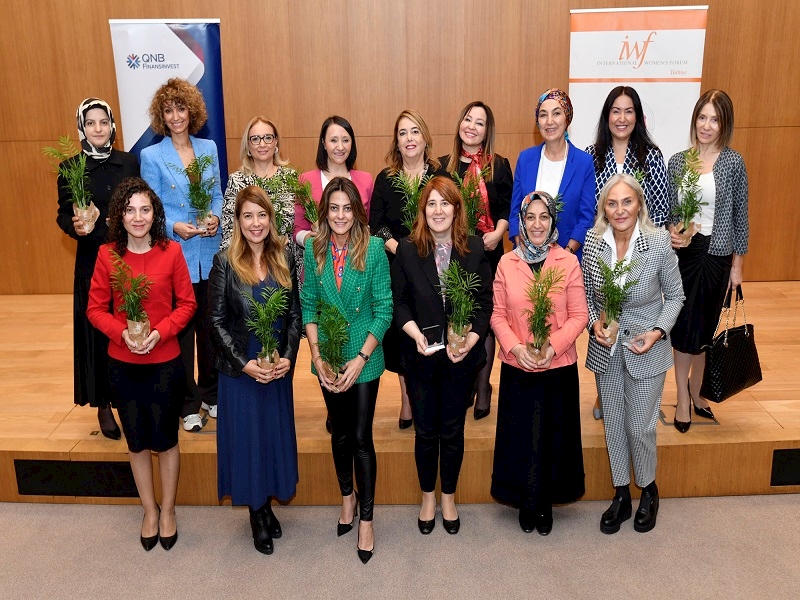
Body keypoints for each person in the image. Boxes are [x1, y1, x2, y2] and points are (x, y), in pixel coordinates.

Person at [87, 177, 196, 550]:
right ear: (119, 215)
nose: (138, 217)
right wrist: (122, 334)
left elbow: (187, 304)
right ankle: (149, 510)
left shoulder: (171, 252)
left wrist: (160, 333)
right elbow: (95, 309)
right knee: (136, 441)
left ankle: (168, 511)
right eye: (130, 210)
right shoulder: (107, 255)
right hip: (123, 363)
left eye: (145, 209)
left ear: (155, 214)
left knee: (165, 440)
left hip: (165, 361)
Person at [583, 174, 684, 534]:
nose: (620, 210)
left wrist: (657, 333)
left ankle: (649, 490)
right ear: (604, 209)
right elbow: (587, 295)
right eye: (612, 203)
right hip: (606, 350)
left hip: (647, 349)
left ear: (639, 204)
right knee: (613, 423)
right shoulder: (593, 242)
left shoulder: (657, 243)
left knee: (640, 427)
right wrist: (593, 324)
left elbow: (676, 296)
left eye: (627, 201)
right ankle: (622, 494)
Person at [392, 176, 493, 536]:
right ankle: (427, 498)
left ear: (456, 209)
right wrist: (415, 334)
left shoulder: (475, 248)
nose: (438, 211)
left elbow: (484, 304)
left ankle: (448, 497)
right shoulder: (407, 250)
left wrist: (471, 340)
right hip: (420, 356)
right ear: (423, 210)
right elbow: (399, 302)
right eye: (431, 203)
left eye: (445, 203)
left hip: (460, 358)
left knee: (452, 431)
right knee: (425, 432)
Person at [300, 177, 392, 564]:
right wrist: (318, 357)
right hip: (328, 355)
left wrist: (361, 358)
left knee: (360, 437)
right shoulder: (314, 249)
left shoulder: (373, 249)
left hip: (363, 356)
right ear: (325, 212)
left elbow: (384, 309)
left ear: (358, 212)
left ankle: (367, 521)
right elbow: (308, 305)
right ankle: (347, 498)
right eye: (334, 208)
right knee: (338, 433)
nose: (340, 216)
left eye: (347, 208)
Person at [209, 186, 301, 555]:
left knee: (272, 438)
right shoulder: (224, 262)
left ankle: (266, 503)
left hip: (275, 367)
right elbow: (216, 322)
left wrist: (288, 357)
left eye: (261, 215)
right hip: (241, 369)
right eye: (247, 216)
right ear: (238, 221)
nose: (255, 223)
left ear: (270, 218)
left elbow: (294, 315)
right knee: (248, 441)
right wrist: (244, 365)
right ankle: (257, 512)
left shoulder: (285, 256)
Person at [490, 191, 588, 534]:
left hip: (557, 367)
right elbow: (497, 316)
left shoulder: (568, 262)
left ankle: (545, 501)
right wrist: (516, 348)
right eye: (530, 217)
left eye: (543, 216)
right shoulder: (506, 263)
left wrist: (554, 347)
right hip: (518, 365)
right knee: (521, 435)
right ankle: (524, 498)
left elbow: (579, 315)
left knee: (554, 436)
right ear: (521, 221)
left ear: (553, 221)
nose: (536, 224)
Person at [140, 78, 223, 432]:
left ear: (192, 111)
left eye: (181, 108)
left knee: (211, 327)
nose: (175, 116)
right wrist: (175, 226)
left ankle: (211, 394)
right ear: (161, 117)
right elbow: (152, 207)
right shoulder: (151, 156)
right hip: (176, 255)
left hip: (209, 251)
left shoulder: (208, 148)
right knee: (183, 332)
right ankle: (188, 403)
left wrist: (215, 217)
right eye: (168, 111)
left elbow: (217, 194)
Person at [56, 98, 140, 440]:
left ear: (112, 125)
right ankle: (103, 404)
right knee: (97, 334)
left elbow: (140, 204)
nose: (98, 128)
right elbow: (63, 214)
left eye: (103, 122)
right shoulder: (70, 167)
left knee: (129, 325)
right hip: (92, 261)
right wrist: (74, 226)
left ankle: (129, 397)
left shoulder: (128, 162)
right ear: (82, 128)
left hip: (127, 258)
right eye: (90, 123)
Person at [585, 86, 671, 420]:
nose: (622, 118)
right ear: (607, 116)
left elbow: (660, 210)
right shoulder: (592, 155)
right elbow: (587, 209)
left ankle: (642, 396)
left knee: (636, 322)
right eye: (615, 111)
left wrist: (649, 253)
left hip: (642, 255)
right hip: (603, 252)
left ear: (638, 116)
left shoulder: (651, 156)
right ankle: (606, 393)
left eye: (629, 111)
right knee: (605, 324)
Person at [667, 90, 749, 433]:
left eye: (714, 119)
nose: (706, 125)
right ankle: (681, 398)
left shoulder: (733, 162)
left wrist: (737, 266)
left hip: (717, 255)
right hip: (684, 255)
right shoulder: (677, 161)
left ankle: (697, 392)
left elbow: (741, 216)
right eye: (702, 117)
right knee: (684, 328)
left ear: (724, 124)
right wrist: (674, 232)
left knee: (704, 328)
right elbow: (670, 213)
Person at [295, 115, 374, 434]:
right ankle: (334, 404)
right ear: (323, 144)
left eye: (345, 140)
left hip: (355, 269)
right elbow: (297, 228)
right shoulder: (306, 179)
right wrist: (315, 241)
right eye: (333, 139)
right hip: (321, 269)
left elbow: (368, 226)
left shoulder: (365, 179)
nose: (339, 146)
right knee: (327, 337)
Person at [438, 101, 512, 420]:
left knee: (486, 319)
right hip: (453, 255)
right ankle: (465, 382)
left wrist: (498, 233)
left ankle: (483, 387)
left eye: (479, 123)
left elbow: (507, 208)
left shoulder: (499, 165)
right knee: (458, 315)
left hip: (489, 252)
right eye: (468, 119)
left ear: (487, 131)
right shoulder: (443, 166)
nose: (471, 126)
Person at [370, 110, 440, 430]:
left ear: (425, 138)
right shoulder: (386, 179)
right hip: (396, 263)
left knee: (430, 328)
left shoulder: (438, 176)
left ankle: (431, 395)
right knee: (401, 333)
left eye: (414, 131)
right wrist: (401, 250)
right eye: (402, 133)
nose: (409, 138)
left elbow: (449, 216)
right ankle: (407, 398)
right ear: (396, 142)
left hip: (433, 265)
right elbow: (377, 224)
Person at [508, 88, 595, 260]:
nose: (549, 121)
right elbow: (515, 213)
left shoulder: (583, 162)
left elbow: (585, 218)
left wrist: (565, 257)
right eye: (543, 115)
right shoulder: (525, 159)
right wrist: (523, 252)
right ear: (538, 121)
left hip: (567, 259)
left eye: (556, 113)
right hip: (525, 259)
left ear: (567, 118)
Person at [221, 116, 297, 251]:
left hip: (287, 258)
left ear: (276, 142)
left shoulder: (291, 178)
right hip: (249, 258)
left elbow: (300, 226)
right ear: (248, 145)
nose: (262, 144)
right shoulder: (236, 181)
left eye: (268, 138)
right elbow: (229, 230)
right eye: (255, 139)